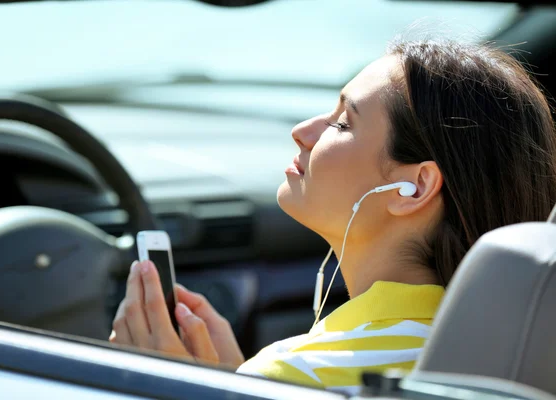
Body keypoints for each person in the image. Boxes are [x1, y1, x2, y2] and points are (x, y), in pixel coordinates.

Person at [109, 38, 556, 396]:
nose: (303, 132)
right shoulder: (509, 360)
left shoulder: (297, 375)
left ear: (414, 188)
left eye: (343, 122)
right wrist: (235, 383)